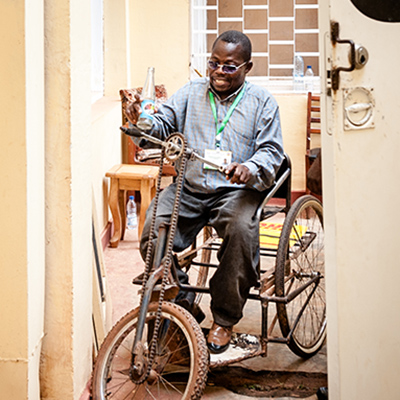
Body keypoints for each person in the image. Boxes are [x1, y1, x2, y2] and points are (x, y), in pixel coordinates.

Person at [124, 30, 284, 354]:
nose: (219, 72)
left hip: (235, 190)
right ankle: (184, 305)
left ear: (247, 67)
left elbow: (271, 151)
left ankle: (224, 319)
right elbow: (162, 125)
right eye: (214, 63)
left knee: (241, 231)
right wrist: (141, 121)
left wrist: (250, 167)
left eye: (229, 66)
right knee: (154, 228)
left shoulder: (262, 102)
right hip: (191, 186)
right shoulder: (191, 92)